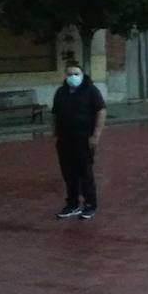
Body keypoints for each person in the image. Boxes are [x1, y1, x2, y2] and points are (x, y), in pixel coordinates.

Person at [51, 61, 106, 220]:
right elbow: (55, 114)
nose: (73, 77)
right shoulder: (61, 92)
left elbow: (101, 111)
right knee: (69, 173)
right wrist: (55, 132)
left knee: (85, 172)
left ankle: (90, 204)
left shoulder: (91, 91)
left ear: (82, 75)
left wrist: (96, 135)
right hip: (64, 140)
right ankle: (72, 204)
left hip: (84, 140)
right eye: (69, 74)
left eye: (76, 74)